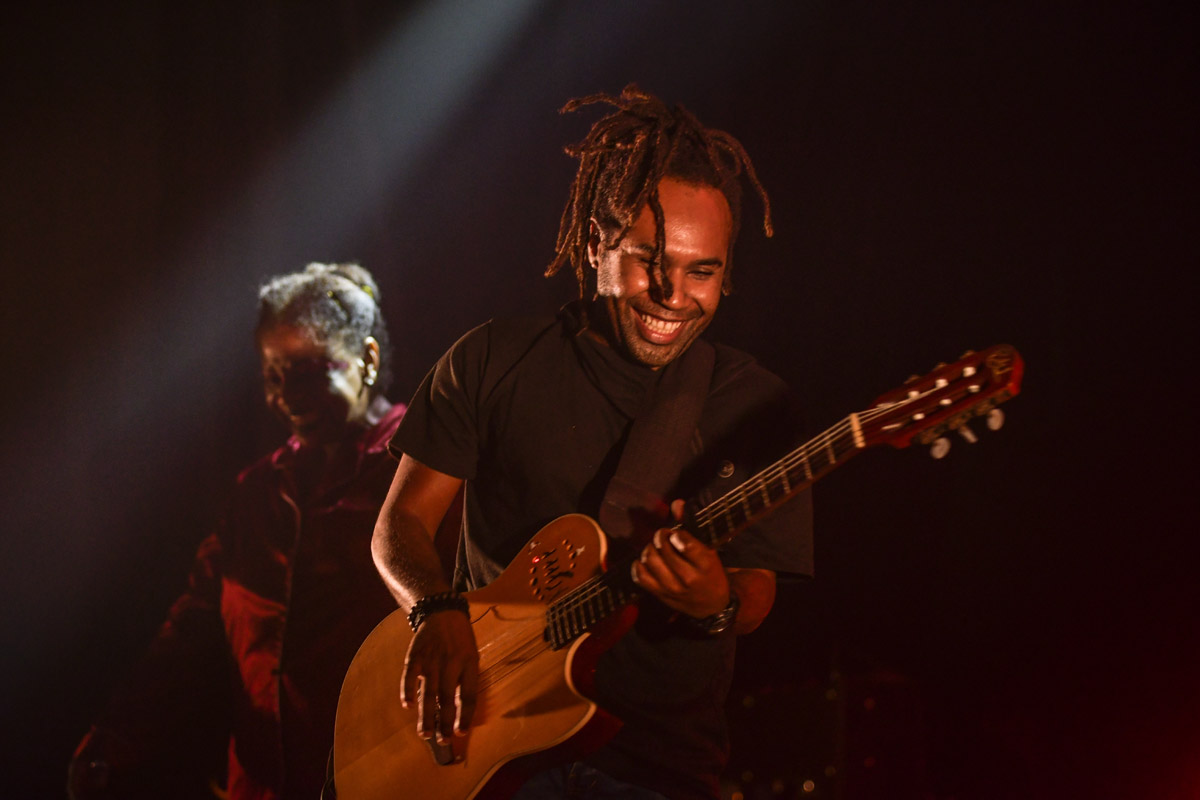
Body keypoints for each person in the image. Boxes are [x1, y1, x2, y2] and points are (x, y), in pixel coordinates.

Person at [370, 86, 813, 799]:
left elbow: (755, 592)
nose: (674, 294)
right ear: (593, 245)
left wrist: (716, 601)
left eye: (702, 271)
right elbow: (400, 527)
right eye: (650, 261)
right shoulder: (491, 359)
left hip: (658, 769)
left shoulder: (753, 403)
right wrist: (433, 610)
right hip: (492, 749)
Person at [69, 263, 423, 800]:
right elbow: (191, 630)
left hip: (389, 777)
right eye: (273, 377)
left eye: (306, 373)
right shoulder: (255, 494)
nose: (286, 396)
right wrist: (114, 736)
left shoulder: (420, 468)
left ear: (367, 360)